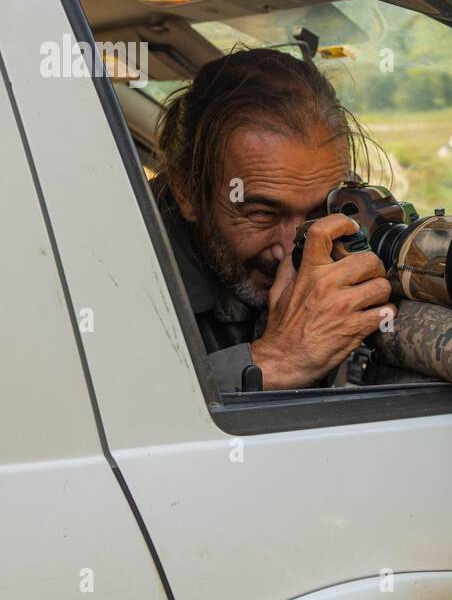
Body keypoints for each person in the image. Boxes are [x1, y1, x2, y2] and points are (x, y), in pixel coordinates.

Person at [152, 48, 394, 392]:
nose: (289, 249)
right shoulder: (120, 279)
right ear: (187, 191)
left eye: (317, 213)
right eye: (262, 214)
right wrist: (277, 360)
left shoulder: (337, 252)